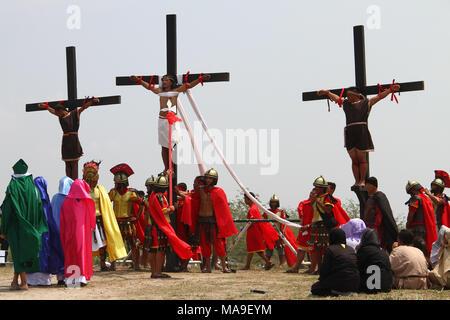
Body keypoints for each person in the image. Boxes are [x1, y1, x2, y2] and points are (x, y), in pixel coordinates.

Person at [317, 84, 400, 186]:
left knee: (361, 159)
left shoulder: (366, 102)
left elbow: (379, 97)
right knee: (354, 159)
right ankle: (357, 180)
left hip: (361, 131)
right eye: (347, 96)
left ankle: (362, 180)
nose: (348, 98)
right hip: (350, 132)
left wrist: (390, 90)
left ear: (356, 95)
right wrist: (327, 93)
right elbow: (337, 98)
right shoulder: (346, 103)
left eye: (350, 95)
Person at [130, 73, 211, 172]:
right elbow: (149, 87)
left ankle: (171, 167)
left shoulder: (176, 91)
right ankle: (166, 167)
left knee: (172, 144)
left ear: (171, 82)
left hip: (172, 121)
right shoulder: (159, 91)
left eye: (166, 80)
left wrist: (200, 79)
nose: (164, 82)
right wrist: (138, 80)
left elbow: (188, 85)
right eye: (163, 80)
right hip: (162, 120)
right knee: (164, 147)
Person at [0, 159, 48, 290]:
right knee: (22, 253)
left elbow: (7, 210)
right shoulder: (34, 189)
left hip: (15, 227)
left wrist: (3, 230)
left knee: (18, 253)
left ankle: (24, 283)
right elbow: (39, 209)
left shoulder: (12, 187)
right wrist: (37, 228)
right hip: (31, 226)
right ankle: (15, 281)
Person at [38, 98, 99, 180]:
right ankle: (68, 182)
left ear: (62, 110)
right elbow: (52, 111)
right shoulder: (61, 117)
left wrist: (91, 102)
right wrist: (46, 106)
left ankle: (74, 182)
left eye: (58, 113)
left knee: (74, 163)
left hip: (73, 140)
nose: (57, 115)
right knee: (67, 163)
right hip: (66, 141)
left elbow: (83, 108)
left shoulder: (74, 114)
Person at [191, 169, 237, 273]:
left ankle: (224, 267)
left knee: (219, 244)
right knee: (204, 245)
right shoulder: (200, 190)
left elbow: (223, 207)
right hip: (202, 220)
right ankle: (208, 267)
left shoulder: (218, 191)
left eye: (210, 178)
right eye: (207, 177)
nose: (208, 180)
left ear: (214, 180)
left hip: (213, 221)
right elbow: (191, 198)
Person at [83, 161, 127, 271]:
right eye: (93, 181)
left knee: (103, 243)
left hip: (99, 219)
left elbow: (106, 205)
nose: (94, 182)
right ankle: (86, 265)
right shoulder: (83, 190)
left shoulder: (100, 190)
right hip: (87, 220)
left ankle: (103, 264)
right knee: (86, 243)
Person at [147, 175, 192, 279]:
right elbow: (163, 211)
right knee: (160, 250)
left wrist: (167, 175)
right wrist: (172, 208)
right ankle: (158, 272)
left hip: (154, 226)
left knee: (153, 250)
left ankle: (154, 272)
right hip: (161, 227)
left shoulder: (153, 195)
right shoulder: (160, 197)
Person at [27, 177, 64, 286]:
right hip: (45, 235)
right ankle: (43, 279)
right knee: (44, 254)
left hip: (33, 235)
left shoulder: (31, 201)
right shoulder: (46, 203)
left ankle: (30, 280)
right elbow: (49, 221)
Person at [60, 179, 96, 287]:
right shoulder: (86, 202)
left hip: (68, 233)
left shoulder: (66, 201)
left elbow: (62, 219)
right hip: (82, 234)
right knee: (81, 253)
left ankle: (70, 279)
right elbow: (91, 218)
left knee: (71, 254)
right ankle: (81, 278)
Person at [109, 163, 144, 270]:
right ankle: (112, 265)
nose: (116, 185)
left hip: (128, 222)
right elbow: (105, 203)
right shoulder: (113, 193)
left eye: (117, 183)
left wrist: (137, 217)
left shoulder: (131, 193)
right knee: (114, 244)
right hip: (116, 222)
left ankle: (136, 265)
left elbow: (142, 203)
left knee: (132, 244)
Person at [310, 228, 360, 296]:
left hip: (338, 283)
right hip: (354, 284)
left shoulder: (330, 249)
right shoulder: (350, 249)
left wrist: (322, 280)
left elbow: (325, 270)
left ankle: (336, 292)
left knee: (315, 288)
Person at [241, 192, 277, 270]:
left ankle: (267, 262)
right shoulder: (254, 207)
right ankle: (249, 265)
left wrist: (245, 227)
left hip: (254, 231)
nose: (244, 201)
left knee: (256, 248)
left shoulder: (252, 209)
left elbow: (252, 221)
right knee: (253, 248)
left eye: (245, 199)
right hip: (253, 231)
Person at [363, 176, 399, 252]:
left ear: (372, 185)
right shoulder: (370, 198)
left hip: (380, 230)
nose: (366, 187)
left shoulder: (379, 196)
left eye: (367, 185)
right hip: (371, 229)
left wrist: (376, 227)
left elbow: (383, 214)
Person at [50, 176, 73, 284]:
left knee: (59, 254)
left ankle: (60, 278)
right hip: (68, 231)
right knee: (70, 255)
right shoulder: (72, 198)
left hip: (56, 231)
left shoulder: (54, 197)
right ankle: (72, 278)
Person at [405, 180, 437, 257]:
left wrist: (408, 224)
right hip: (425, 229)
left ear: (412, 190)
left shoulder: (416, 198)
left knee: (415, 252)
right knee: (424, 251)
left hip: (415, 230)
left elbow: (411, 214)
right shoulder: (426, 199)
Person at [264, 195, 297, 267]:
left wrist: (282, 232)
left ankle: (281, 264)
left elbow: (284, 222)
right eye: (272, 202)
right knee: (269, 249)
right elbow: (264, 222)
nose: (273, 204)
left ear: (277, 203)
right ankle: (268, 263)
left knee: (280, 249)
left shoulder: (280, 212)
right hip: (269, 233)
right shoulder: (267, 212)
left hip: (278, 232)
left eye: (275, 202)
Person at [286, 190, 315, 273]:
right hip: (304, 229)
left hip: (314, 229)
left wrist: (309, 226)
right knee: (301, 248)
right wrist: (303, 227)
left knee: (313, 250)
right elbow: (302, 217)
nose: (312, 195)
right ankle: (296, 268)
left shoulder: (319, 204)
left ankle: (313, 268)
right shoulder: (304, 204)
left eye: (314, 194)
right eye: (311, 193)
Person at [356, 228, 393, 293]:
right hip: (385, 287)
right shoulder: (383, 252)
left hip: (367, 288)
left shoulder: (363, 251)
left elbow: (356, 267)